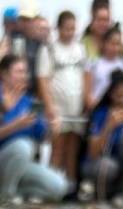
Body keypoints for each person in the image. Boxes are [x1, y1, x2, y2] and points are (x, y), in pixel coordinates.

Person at [0, 56, 68, 206]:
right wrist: (15, 125)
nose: (24, 76)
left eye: (25, 72)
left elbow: (42, 137)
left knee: (59, 186)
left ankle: (5, 194)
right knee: (23, 146)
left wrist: (53, 129)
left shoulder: (30, 102)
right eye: (19, 72)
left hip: (19, 165)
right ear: (4, 74)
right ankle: (5, 196)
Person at [81, 69, 123, 205]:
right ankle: (96, 192)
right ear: (111, 94)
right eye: (119, 96)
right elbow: (92, 152)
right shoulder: (101, 113)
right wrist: (109, 126)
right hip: (99, 165)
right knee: (110, 166)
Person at [36, 11, 87, 184]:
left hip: (76, 107)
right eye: (67, 28)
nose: (70, 32)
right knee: (57, 146)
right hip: (57, 107)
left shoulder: (80, 49)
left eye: (73, 28)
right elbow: (42, 80)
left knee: (73, 147)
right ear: (58, 28)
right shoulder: (48, 49)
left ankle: (70, 185)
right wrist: (49, 108)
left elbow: (85, 76)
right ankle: (50, 185)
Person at [85, 25, 123, 109]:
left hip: (120, 111)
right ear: (104, 43)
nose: (115, 48)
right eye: (112, 44)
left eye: (118, 44)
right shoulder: (92, 64)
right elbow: (88, 93)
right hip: (98, 110)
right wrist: (95, 109)